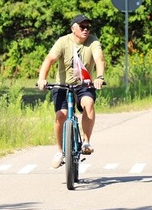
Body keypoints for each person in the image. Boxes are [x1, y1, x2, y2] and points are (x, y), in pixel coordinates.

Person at [37, 14, 106, 169]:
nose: (86, 30)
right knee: (60, 116)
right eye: (82, 27)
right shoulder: (63, 41)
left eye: (88, 27)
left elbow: (99, 59)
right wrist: (42, 78)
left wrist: (100, 77)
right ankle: (60, 151)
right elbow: (49, 59)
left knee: (88, 104)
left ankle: (86, 142)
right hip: (62, 85)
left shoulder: (93, 41)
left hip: (84, 84)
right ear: (73, 28)